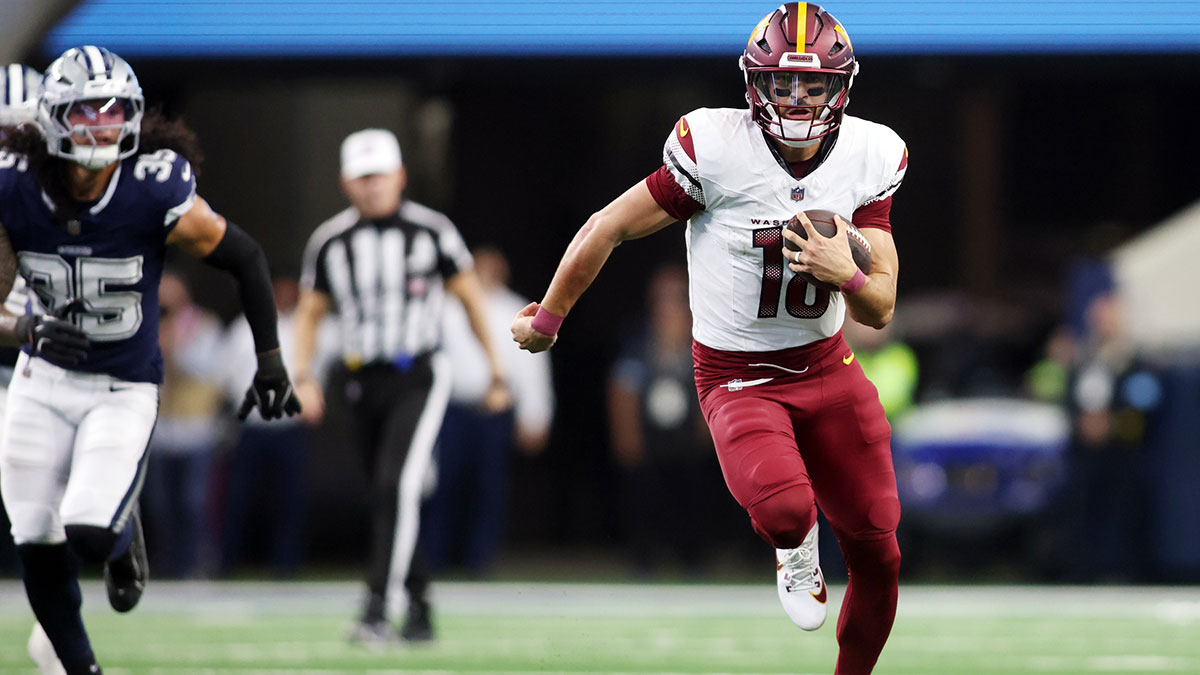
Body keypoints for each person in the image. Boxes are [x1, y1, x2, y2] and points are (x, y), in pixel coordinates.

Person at [512, 5, 907, 673]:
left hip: (827, 365)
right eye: (783, 82)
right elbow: (608, 225)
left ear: (841, 88)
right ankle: (794, 546)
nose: (799, 97)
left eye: (813, 85)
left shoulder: (872, 155)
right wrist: (549, 317)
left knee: (881, 549)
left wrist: (847, 273)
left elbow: (882, 307)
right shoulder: (716, 148)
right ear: (756, 85)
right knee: (786, 508)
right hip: (738, 374)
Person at [0, 46, 300, 675]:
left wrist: (270, 361)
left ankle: (118, 533)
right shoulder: (15, 183)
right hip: (39, 375)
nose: (102, 126)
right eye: (85, 112)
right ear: (52, 119)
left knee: (86, 528)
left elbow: (243, 257)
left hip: (122, 383)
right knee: (32, 532)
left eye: (115, 112)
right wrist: (22, 324)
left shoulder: (150, 186)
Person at [293, 128, 510, 645]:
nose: (372, 187)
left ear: (400, 177)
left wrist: (497, 370)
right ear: (347, 182)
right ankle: (419, 608)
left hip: (418, 374)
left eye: (380, 176)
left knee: (397, 486)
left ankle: (375, 610)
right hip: (358, 380)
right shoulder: (330, 241)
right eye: (362, 178)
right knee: (388, 496)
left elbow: (470, 298)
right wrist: (303, 377)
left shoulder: (432, 232)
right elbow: (310, 314)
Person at [423, 245, 554, 577]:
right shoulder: (445, 307)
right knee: (443, 484)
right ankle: (435, 558)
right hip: (451, 409)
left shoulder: (515, 308)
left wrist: (534, 415)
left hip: (494, 411)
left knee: (489, 488)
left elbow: (532, 368)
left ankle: (480, 561)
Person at [607, 263, 724, 575]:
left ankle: (693, 560)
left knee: (693, 497)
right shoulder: (638, 337)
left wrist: (709, 428)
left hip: (688, 437)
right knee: (645, 497)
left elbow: (715, 379)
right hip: (649, 435)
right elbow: (622, 387)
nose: (667, 305)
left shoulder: (703, 332)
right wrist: (626, 435)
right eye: (661, 297)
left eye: (675, 297)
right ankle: (643, 561)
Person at [142, 270, 227, 579]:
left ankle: (196, 562)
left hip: (196, 428)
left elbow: (213, 371)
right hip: (162, 428)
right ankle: (166, 562)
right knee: (159, 503)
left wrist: (174, 349)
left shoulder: (205, 326)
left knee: (194, 502)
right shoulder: (146, 324)